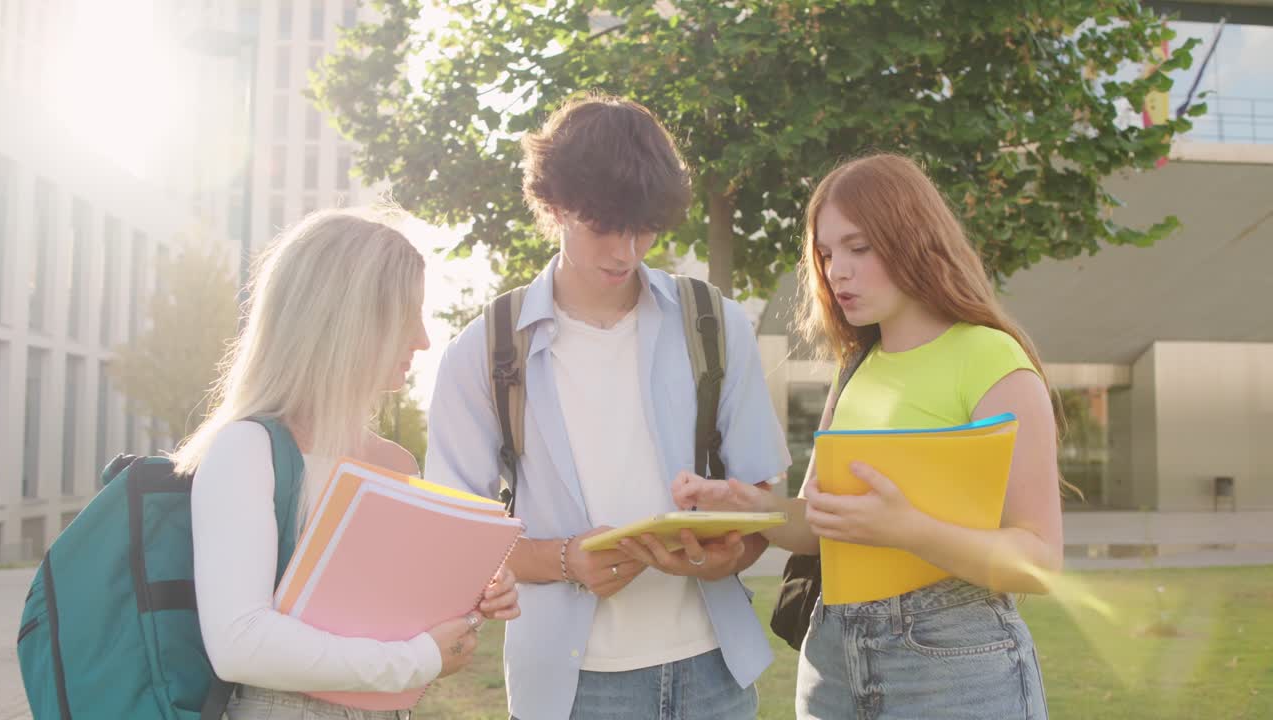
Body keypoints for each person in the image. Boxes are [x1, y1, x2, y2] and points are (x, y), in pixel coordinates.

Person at [424, 95, 791, 720]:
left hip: (714, 673)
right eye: (604, 227)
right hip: (570, 689)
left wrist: (732, 549)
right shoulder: (484, 350)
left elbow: (764, 500)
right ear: (556, 205)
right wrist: (565, 560)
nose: (626, 251)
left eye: (644, 229)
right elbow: (449, 535)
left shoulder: (714, 325)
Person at [674, 153, 1059, 719]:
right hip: (832, 661)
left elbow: (1041, 559)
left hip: (953, 663)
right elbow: (824, 524)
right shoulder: (855, 366)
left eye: (860, 248)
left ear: (914, 239)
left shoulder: (991, 359)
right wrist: (752, 505)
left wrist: (908, 530)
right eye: (827, 255)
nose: (837, 273)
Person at [173, 209, 520, 719]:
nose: (423, 339)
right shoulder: (246, 449)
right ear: (346, 318)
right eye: (408, 316)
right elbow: (239, 641)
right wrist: (417, 659)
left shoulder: (395, 461)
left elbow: (392, 623)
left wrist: (473, 601)